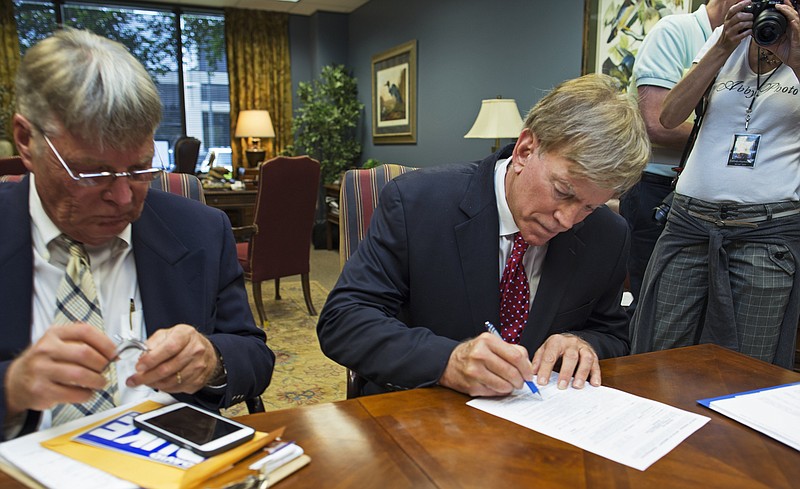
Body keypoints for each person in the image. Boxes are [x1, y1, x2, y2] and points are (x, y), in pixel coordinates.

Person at [0, 28, 274, 439]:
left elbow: (254, 355)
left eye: (141, 168)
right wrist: (11, 387)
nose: (125, 197)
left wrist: (212, 360)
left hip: (170, 461)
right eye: (93, 173)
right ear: (26, 141)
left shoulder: (199, 230)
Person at [317, 74, 650, 398]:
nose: (567, 220)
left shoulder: (607, 234)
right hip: (422, 410)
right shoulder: (417, 203)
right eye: (563, 192)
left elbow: (613, 334)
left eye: (589, 206)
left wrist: (583, 343)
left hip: (540, 424)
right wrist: (447, 361)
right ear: (525, 150)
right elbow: (343, 320)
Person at [631, 0, 800, 369]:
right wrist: (722, 45)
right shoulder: (726, 41)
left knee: (746, 368)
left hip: (765, 236)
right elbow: (669, 115)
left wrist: (796, 58)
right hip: (688, 224)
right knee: (660, 354)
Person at [621, 0, 735, 316]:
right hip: (658, 188)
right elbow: (656, 123)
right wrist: (732, 143)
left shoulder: (758, 49)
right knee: (655, 307)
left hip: (715, 197)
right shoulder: (676, 32)